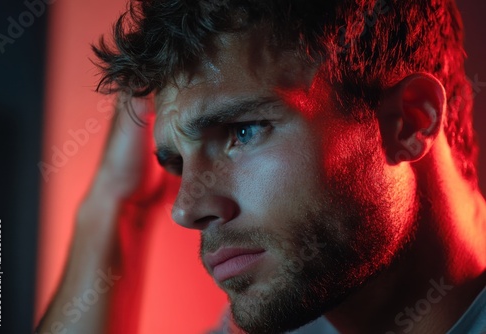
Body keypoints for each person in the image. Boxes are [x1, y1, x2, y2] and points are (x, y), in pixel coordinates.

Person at [36, 0, 486, 333]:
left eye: (243, 131)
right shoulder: (298, 306)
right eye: (175, 163)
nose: (187, 210)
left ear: (410, 121)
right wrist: (120, 198)